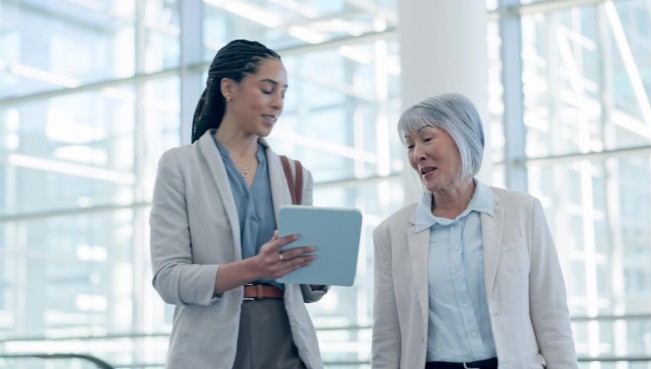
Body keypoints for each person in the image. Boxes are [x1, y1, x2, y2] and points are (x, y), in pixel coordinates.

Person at [150, 39, 328, 369]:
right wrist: (254, 268)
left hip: (286, 340)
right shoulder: (180, 167)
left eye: (283, 93)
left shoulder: (295, 174)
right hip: (211, 345)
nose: (278, 103)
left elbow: (307, 288)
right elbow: (168, 279)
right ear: (229, 88)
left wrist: (320, 267)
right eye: (267, 90)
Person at [372, 93, 578, 369]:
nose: (416, 154)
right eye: (409, 145)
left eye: (427, 139)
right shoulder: (391, 233)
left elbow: (551, 313)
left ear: (462, 137)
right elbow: (387, 336)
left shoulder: (523, 212)